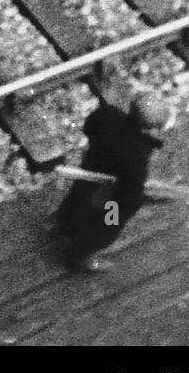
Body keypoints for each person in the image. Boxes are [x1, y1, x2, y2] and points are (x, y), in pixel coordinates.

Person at [54, 92, 174, 272]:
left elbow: (89, 126)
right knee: (105, 229)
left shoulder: (108, 114)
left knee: (76, 200)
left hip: (90, 172)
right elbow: (129, 196)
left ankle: (62, 224)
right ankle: (80, 258)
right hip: (111, 200)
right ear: (149, 129)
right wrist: (143, 200)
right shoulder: (136, 157)